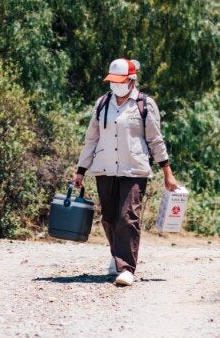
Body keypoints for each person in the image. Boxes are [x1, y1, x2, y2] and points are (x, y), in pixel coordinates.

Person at [73, 57, 178, 287]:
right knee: (109, 219)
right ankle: (117, 254)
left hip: (134, 170)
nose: (115, 85)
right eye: (112, 80)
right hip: (105, 169)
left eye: (120, 80)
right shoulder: (102, 104)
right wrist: (81, 170)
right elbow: (92, 138)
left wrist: (167, 172)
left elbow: (155, 140)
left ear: (131, 80)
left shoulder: (144, 104)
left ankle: (127, 268)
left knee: (128, 217)